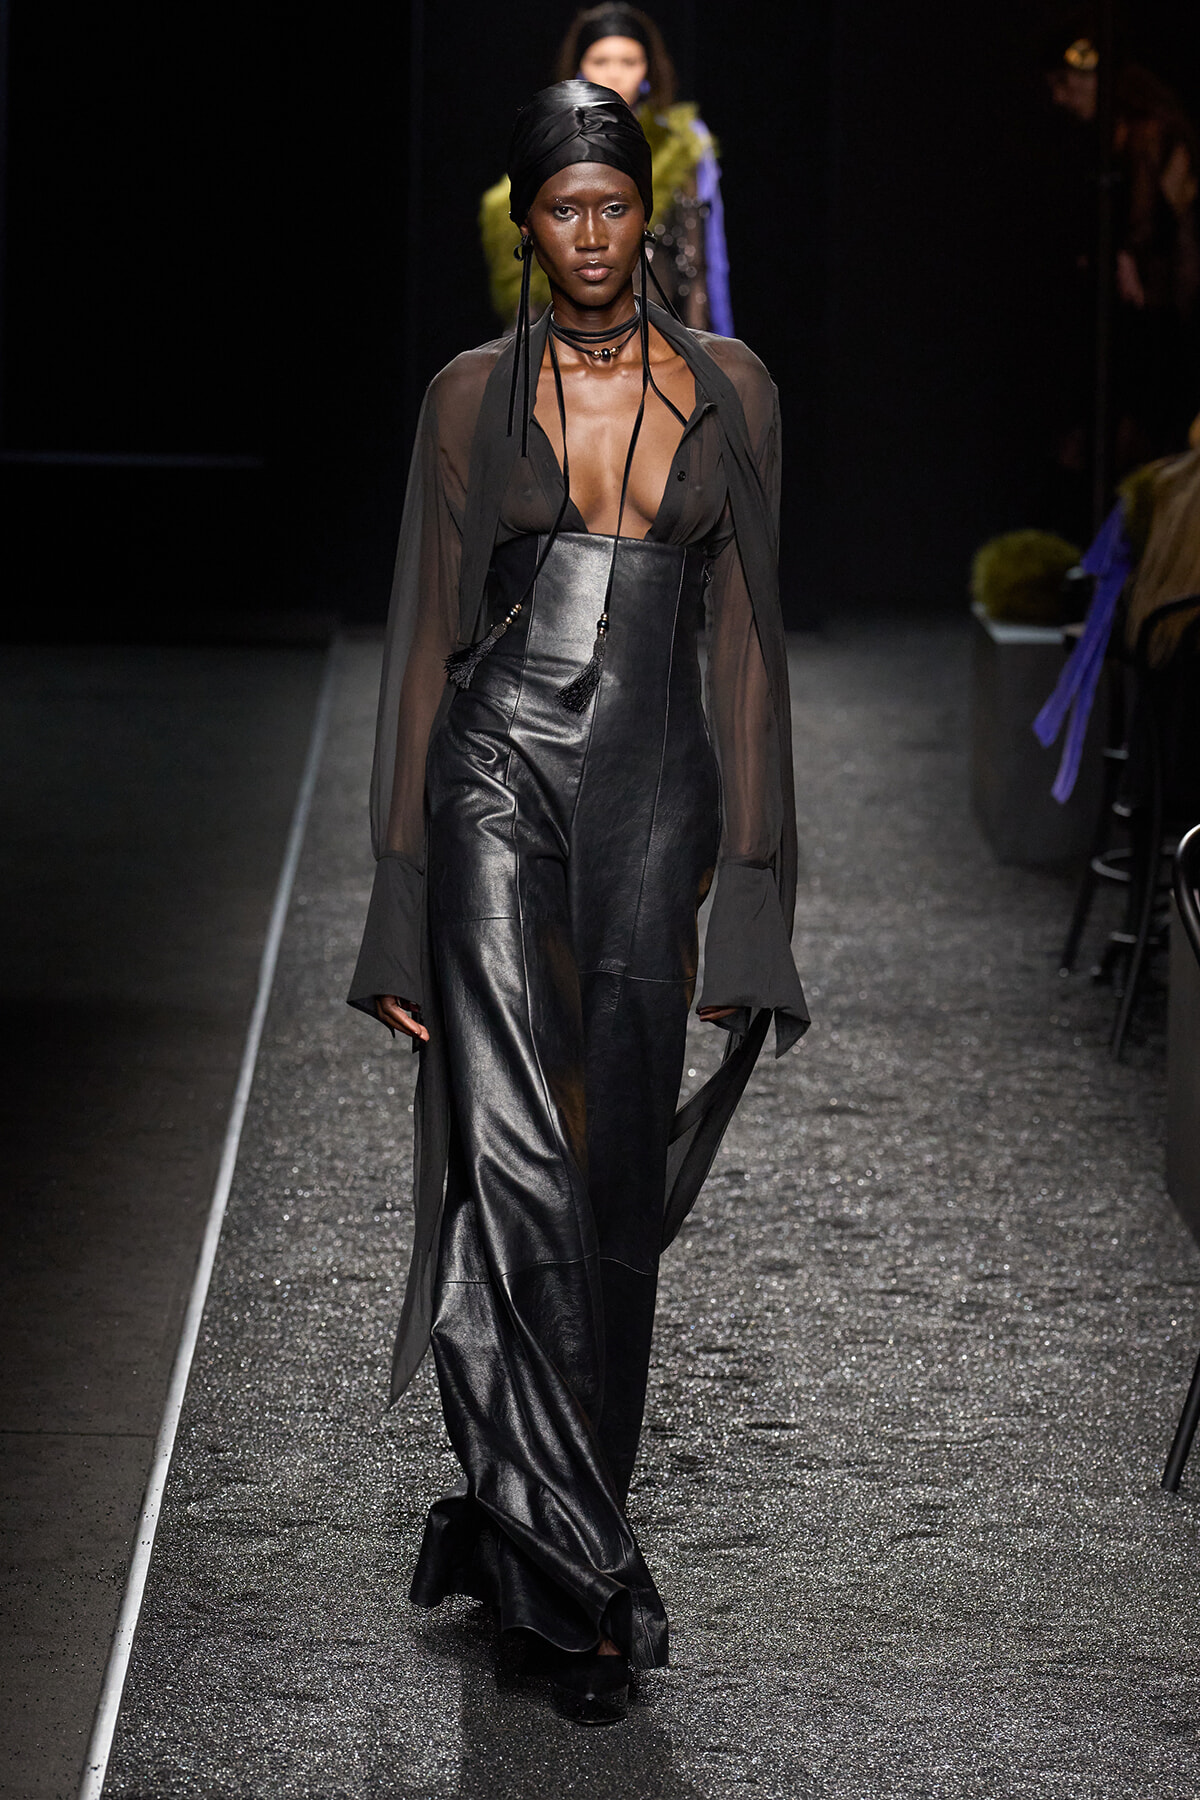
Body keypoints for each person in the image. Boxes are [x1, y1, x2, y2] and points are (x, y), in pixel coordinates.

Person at [349, 79, 807, 1724]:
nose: (594, 232)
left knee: (612, 1185)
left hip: (655, 799)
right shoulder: (469, 401)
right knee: (519, 1162)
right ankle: (576, 1585)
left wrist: (751, 899)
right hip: (494, 785)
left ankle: (545, 1536)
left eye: (616, 204)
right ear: (527, 223)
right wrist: (400, 904)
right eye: (565, 208)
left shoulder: (734, 392)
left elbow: (750, 654)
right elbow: (421, 651)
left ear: (647, 216)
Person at [480, 5, 733, 334]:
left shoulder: (681, 147)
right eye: (601, 61)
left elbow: (701, 262)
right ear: (579, 66)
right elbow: (526, 276)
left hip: (661, 330)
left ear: (648, 68)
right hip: (562, 333)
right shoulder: (545, 147)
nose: (615, 73)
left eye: (629, 61)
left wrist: (709, 346)